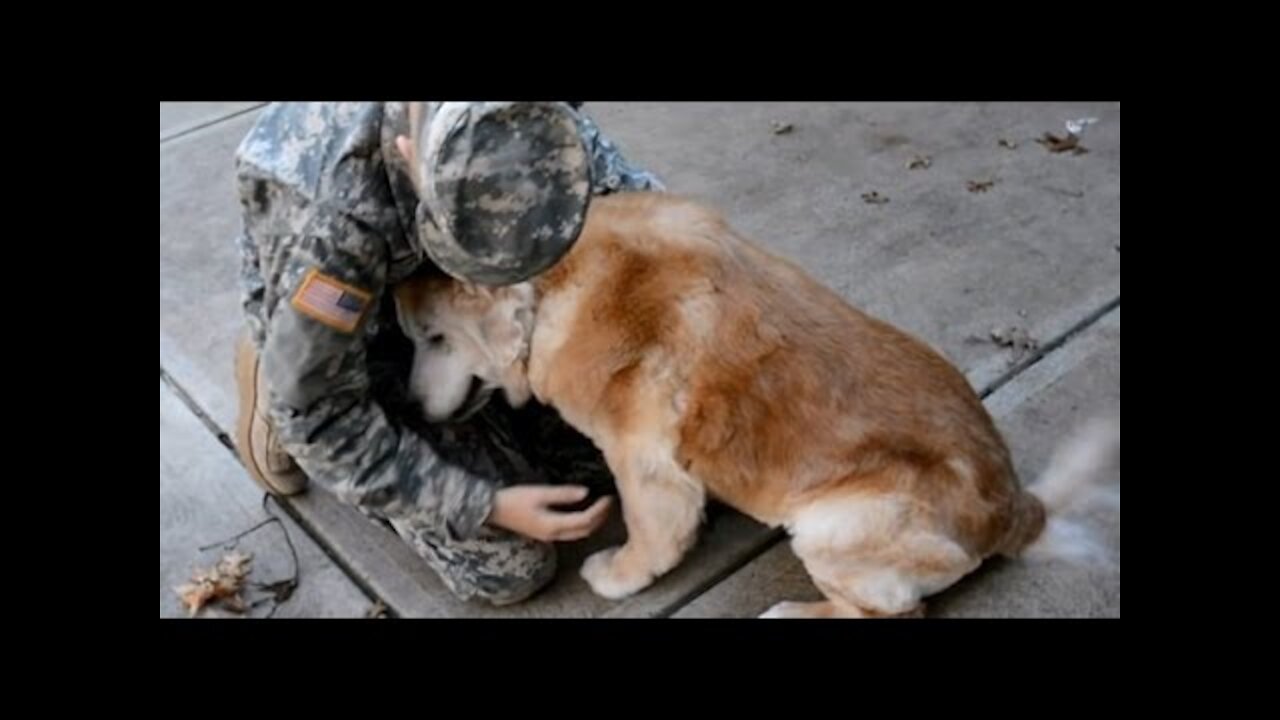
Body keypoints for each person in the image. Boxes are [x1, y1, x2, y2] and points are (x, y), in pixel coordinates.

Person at [231, 102, 665, 605]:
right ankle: (275, 361)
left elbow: (650, 228)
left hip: (472, 312)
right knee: (510, 565)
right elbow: (318, 422)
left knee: (613, 459)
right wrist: (480, 504)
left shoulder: (521, 123)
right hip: (361, 333)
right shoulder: (331, 226)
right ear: (409, 152)